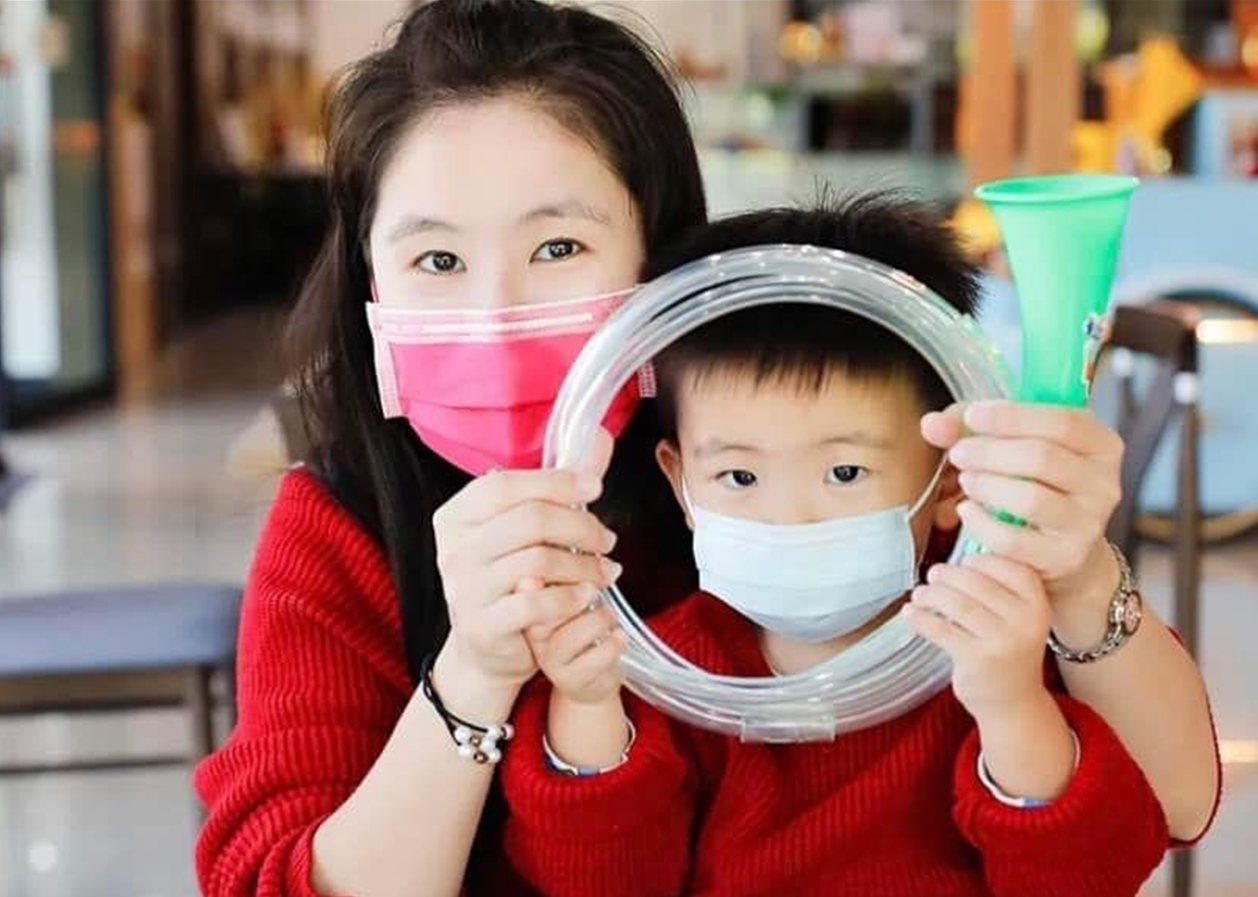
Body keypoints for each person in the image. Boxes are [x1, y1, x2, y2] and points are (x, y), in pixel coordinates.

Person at [502, 197, 1215, 897]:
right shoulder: (664, 669)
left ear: (950, 477)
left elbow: (1090, 874)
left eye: (845, 472)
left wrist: (1011, 706)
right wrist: (589, 706)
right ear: (680, 482)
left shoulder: (992, 638)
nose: (790, 518)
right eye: (739, 477)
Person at [193, 2, 704, 895]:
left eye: (559, 246)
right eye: (437, 261)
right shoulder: (335, 530)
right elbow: (264, 877)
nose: (494, 317)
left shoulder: (767, 481)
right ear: (370, 282)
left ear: (656, 256)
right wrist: (474, 669)